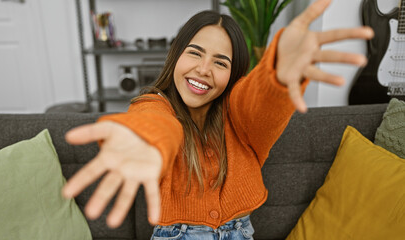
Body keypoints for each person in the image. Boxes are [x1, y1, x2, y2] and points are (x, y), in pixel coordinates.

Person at [62, 0, 374, 239]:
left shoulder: (239, 114)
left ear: (233, 75)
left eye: (220, 62)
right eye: (195, 53)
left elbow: (261, 100)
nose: (203, 69)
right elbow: (153, 123)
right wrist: (142, 142)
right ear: (176, 56)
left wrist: (279, 68)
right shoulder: (155, 104)